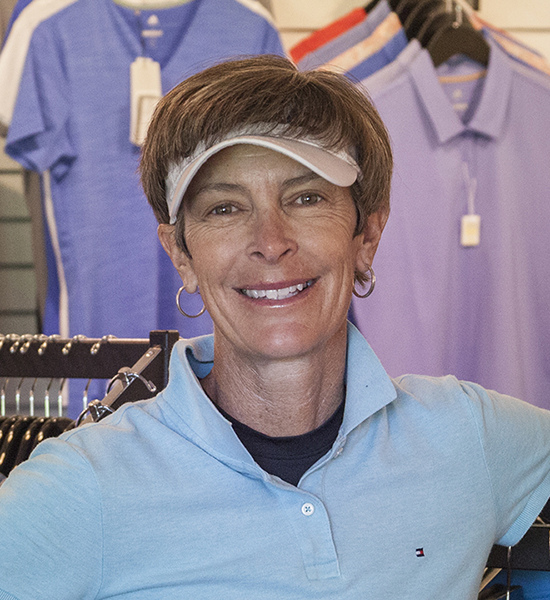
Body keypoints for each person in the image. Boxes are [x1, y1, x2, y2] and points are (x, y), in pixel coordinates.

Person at [0, 54, 550, 600]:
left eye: (307, 198)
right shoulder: (86, 484)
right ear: (181, 255)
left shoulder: (467, 436)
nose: (271, 241)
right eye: (224, 208)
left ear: (367, 235)